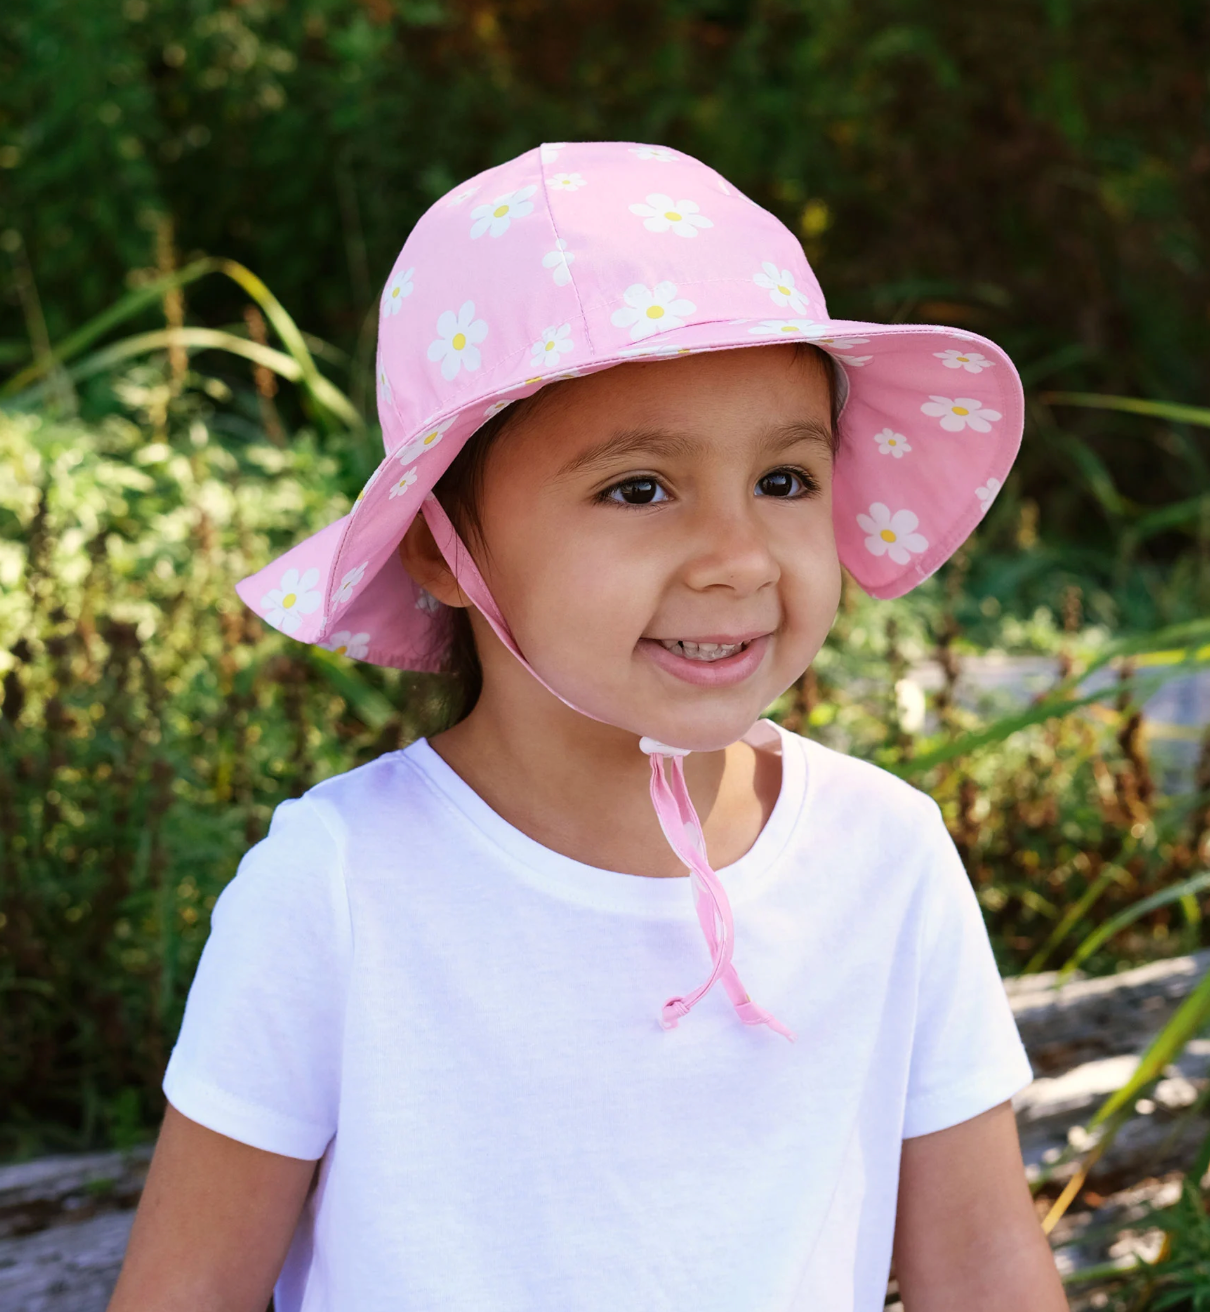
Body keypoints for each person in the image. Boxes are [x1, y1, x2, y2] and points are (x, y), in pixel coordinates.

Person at [108, 141, 1066, 1311]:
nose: (736, 557)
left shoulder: (886, 854)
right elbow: (185, 1292)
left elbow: (981, 1271)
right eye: (638, 488)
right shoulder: (339, 887)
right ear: (440, 545)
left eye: (784, 479)